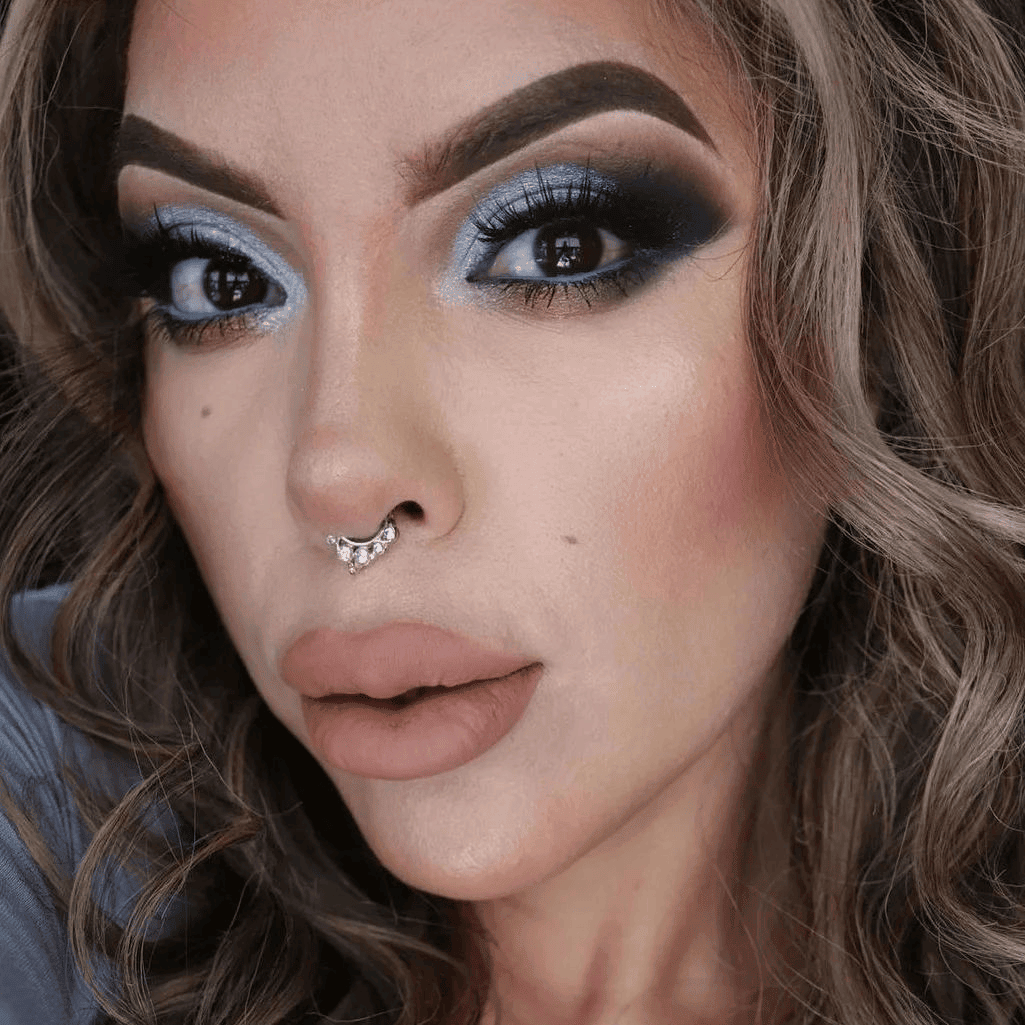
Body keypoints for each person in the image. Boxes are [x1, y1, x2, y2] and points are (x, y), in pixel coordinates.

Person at [2, 0, 1025, 1023]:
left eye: (557, 244)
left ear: (869, 316)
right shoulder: (41, 799)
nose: (335, 476)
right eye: (219, 279)